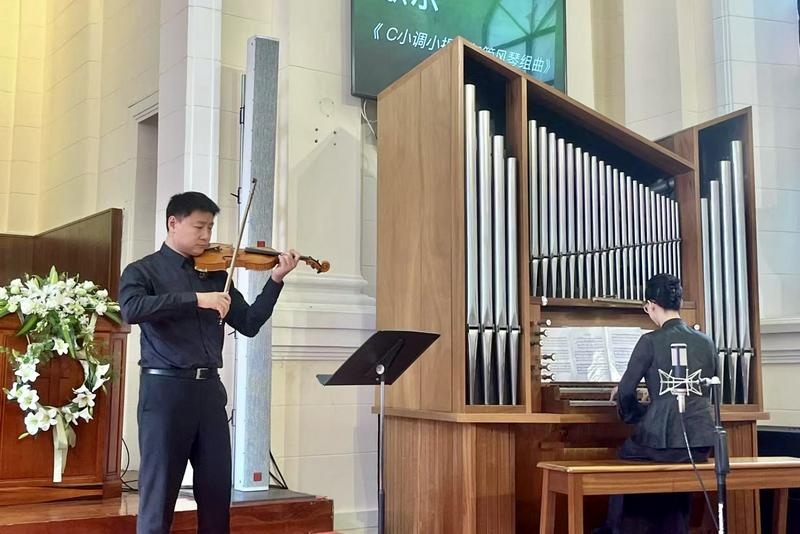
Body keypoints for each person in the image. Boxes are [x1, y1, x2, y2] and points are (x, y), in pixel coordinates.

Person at [119, 192, 300, 534]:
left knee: (216, 494)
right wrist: (196, 300)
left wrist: (275, 281)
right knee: (158, 499)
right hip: (165, 393)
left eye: (210, 227)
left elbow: (249, 323)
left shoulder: (216, 274)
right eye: (199, 226)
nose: (206, 235)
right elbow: (132, 309)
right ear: (173, 223)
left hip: (209, 393)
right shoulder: (142, 270)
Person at [596, 273, 716, 534]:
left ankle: (618, 528)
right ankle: (674, 527)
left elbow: (626, 392)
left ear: (650, 305)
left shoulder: (649, 341)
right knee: (673, 466)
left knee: (627, 456)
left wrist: (637, 414)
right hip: (700, 443)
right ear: (679, 302)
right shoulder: (707, 342)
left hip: (663, 440)